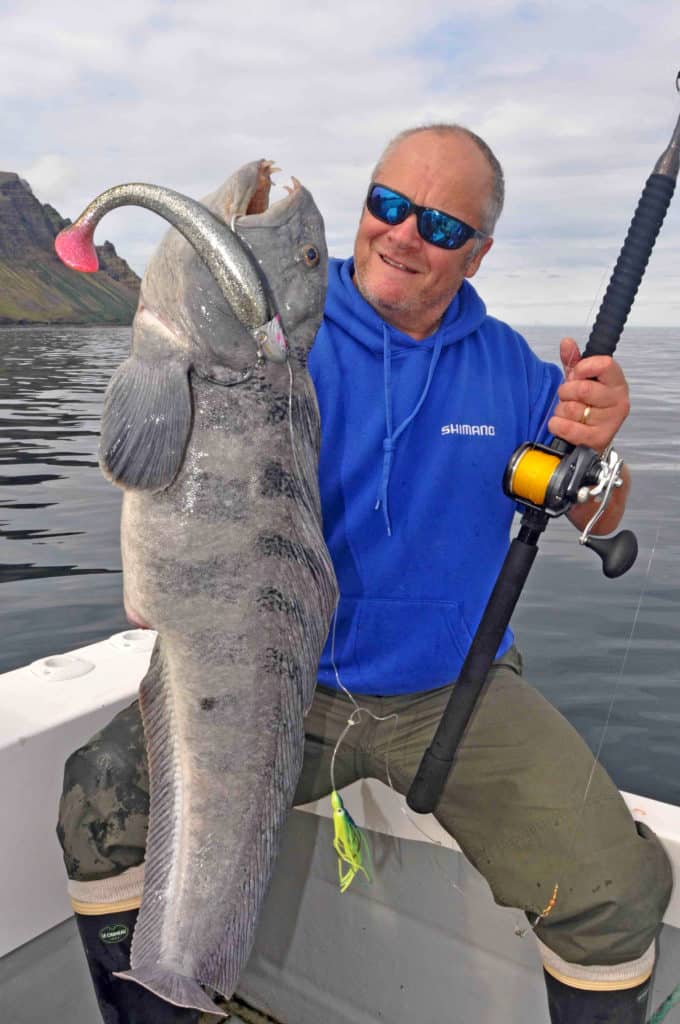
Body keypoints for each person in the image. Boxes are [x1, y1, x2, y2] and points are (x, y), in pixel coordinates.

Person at [58, 125, 672, 1024]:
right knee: (98, 798)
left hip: (451, 693)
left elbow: (594, 513)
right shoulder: (277, 329)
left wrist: (600, 451)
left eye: (440, 224)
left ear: (480, 251)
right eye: (386, 205)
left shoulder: (512, 369)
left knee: (612, 892)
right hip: (282, 682)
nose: (402, 233)